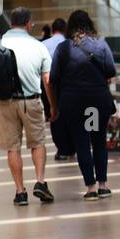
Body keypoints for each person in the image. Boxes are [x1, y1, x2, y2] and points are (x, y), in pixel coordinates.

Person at [0, 6, 56, 206]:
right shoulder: (38, 45)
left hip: (3, 103)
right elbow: (47, 79)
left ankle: (20, 192)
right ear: (29, 23)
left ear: (11, 23)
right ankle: (39, 181)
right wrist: (53, 106)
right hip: (31, 101)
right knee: (37, 143)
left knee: (13, 148)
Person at [49, 9, 116, 200]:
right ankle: (103, 185)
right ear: (90, 24)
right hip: (94, 102)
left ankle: (91, 188)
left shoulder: (63, 48)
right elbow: (110, 70)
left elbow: (53, 78)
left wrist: (54, 105)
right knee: (97, 141)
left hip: (73, 103)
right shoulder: (100, 45)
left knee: (81, 143)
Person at [42, 18, 74, 161]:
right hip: (71, 84)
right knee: (72, 115)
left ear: (53, 29)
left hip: (50, 84)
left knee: (54, 115)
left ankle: (62, 150)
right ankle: (74, 147)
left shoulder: (43, 44)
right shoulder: (71, 43)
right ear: (65, 29)